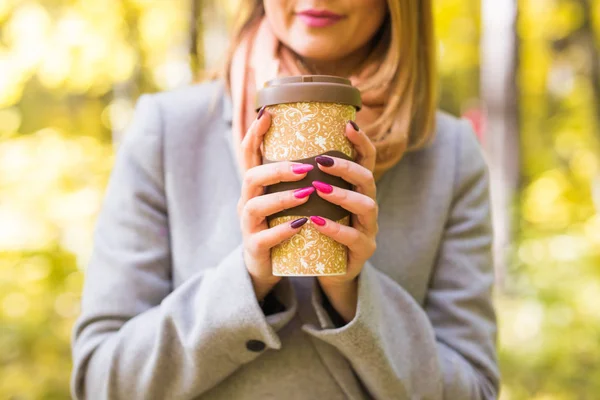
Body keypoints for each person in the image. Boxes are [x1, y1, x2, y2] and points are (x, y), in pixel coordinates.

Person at [71, 0, 500, 399]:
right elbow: (101, 379)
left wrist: (354, 299)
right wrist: (245, 283)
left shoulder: (448, 154)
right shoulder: (169, 132)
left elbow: (475, 389)